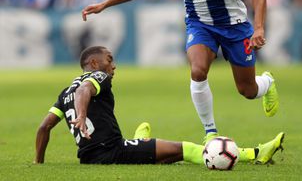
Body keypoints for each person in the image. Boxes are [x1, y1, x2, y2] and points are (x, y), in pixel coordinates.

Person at [81, 0, 279, 143]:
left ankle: (267, 82)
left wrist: (259, 27)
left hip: (234, 26)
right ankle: (210, 133)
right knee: (197, 71)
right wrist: (105, 4)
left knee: (247, 90)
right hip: (200, 25)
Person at [34, 46, 284, 165]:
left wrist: (38, 163)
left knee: (164, 155)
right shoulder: (96, 78)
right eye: (109, 59)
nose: (114, 65)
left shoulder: (64, 91)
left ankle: (142, 143)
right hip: (112, 152)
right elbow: (85, 90)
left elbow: (44, 128)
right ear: (93, 63)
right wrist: (81, 113)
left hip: (89, 157)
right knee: (187, 150)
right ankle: (256, 153)